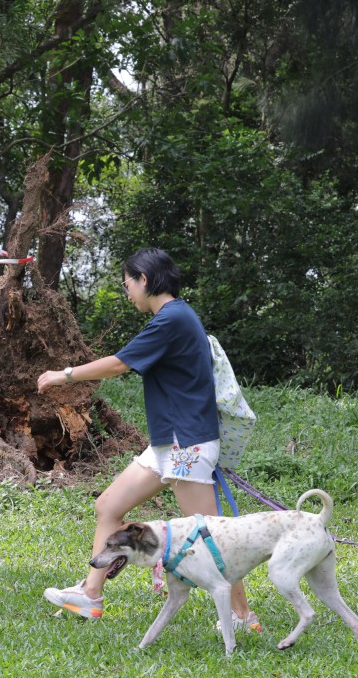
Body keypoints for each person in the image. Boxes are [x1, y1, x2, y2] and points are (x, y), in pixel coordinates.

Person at [37, 247, 259, 631]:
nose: (127, 294)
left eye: (128, 285)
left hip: (186, 443)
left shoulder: (172, 318)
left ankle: (241, 617)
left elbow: (120, 364)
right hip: (168, 444)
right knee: (108, 506)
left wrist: (64, 374)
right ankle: (90, 595)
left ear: (145, 279)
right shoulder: (175, 317)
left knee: (209, 535)